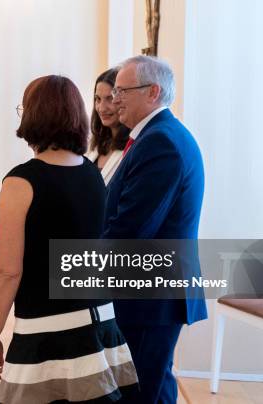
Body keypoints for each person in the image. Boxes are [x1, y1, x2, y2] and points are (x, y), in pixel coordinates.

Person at [0, 75, 138, 403]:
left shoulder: (20, 182)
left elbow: (8, 271)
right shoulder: (91, 173)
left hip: (46, 332)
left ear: (33, 116)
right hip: (98, 325)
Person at [103, 55, 207, 403]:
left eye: (122, 91)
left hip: (152, 291)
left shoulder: (160, 142)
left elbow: (132, 228)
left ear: (153, 92)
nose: (115, 99)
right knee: (152, 381)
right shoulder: (155, 136)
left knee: (142, 388)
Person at [87, 67, 131, 185]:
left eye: (109, 99)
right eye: (98, 99)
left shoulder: (133, 146)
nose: (101, 108)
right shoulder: (96, 144)